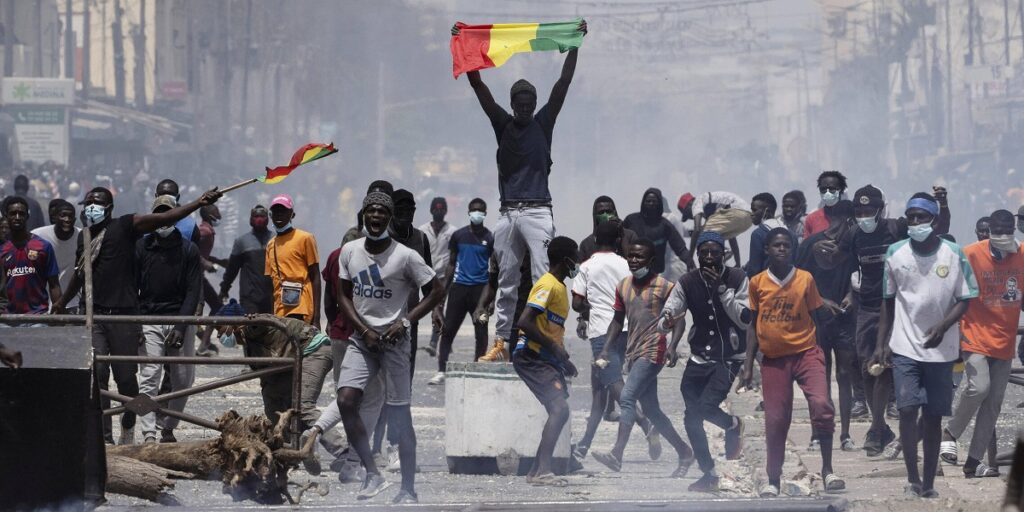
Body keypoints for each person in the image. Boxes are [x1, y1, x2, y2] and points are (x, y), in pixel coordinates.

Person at [457, 20, 588, 363]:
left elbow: (563, 83)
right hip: (507, 213)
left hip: (537, 211)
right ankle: (501, 342)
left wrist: (574, 44)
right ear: (513, 104)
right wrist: (464, 45)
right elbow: (478, 87)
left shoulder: (544, 123)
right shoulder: (503, 125)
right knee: (506, 281)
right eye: (521, 100)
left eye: (531, 100)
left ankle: (547, 337)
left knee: (544, 278)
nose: (527, 106)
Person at [51, 185, 222, 445]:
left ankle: (129, 423)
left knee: (127, 381)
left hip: (124, 317)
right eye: (88, 203)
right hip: (96, 316)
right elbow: (79, 272)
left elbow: (164, 218)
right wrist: (62, 302)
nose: (91, 207)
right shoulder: (83, 236)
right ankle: (104, 438)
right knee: (98, 376)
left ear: (109, 207)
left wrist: (199, 203)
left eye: (96, 202)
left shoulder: (125, 226)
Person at [335, 192, 444, 504]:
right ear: (364, 214)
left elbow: (436, 291)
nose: (376, 217)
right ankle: (372, 472)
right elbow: (343, 294)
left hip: (395, 343)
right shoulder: (350, 251)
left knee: (400, 416)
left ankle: (408, 488)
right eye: (371, 211)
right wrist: (363, 329)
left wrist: (406, 322)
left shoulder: (405, 255)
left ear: (390, 217)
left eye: (382, 212)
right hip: (362, 340)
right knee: (346, 400)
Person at [870, 194, 977, 498]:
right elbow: (888, 304)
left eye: (921, 217)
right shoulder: (896, 253)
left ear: (932, 219)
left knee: (932, 416)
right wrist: (882, 344)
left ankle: (929, 483)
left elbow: (966, 298)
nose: (915, 222)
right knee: (906, 409)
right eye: (911, 217)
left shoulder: (953, 254)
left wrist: (943, 327)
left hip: (941, 350)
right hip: (905, 346)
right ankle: (912, 478)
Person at [845, 184, 950, 457]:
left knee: (888, 364)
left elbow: (935, 230)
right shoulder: (855, 234)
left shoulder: (896, 228)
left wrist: (942, 203)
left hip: (897, 306)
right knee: (869, 368)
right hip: (866, 307)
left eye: (869, 210)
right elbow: (846, 267)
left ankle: (885, 428)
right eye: (859, 210)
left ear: (880, 210)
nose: (863, 215)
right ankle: (878, 425)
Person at [739, 228, 844, 497]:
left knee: (821, 404)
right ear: (767, 250)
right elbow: (752, 325)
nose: (782, 249)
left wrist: (824, 354)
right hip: (773, 359)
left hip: (806, 352)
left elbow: (818, 315)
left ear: (792, 249)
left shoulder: (805, 279)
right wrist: (748, 365)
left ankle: (828, 469)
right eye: (777, 245)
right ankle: (773, 478)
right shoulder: (758, 282)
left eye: (787, 245)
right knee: (775, 420)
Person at [590, 239, 695, 478]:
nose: (634, 260)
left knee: (627, 397)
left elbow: (679, 318)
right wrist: (605, 349)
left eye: (639, 257)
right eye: (631, 256)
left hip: (654, 349)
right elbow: (617, 320)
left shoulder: (665, 286)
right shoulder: (623, 286)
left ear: (651, 261)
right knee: (652, 410)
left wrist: (674, 345)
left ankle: (617, 454)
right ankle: (685, 451)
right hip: (633, 351)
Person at [659, 231, 751, 492]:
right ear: (698, 254)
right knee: (691, 417)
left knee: (707, 406)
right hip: (699, 356)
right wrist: (666, 320)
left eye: (714, 252)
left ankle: (733, 425)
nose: (709, 257)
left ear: (724, 254)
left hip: (729, 357)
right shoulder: (688, 281)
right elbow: (671, 310)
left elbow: (745, 318)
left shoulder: (738, 278)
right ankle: (708, 472)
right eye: (704, 252)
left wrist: (723, 291)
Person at [941, 209, 1022, 478]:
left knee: (994, 403)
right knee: (978, 388)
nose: (1002, 238)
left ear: (1013, 231)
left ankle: (973, 462)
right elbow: (952, 293)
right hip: (975, 334)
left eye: (1006, 233)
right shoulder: (971, 254)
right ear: (989, 233)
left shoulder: (1021, 255)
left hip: (1005, 339)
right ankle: (950, 431)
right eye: (997, 233)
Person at [570, 222, 657, 459]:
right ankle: (584, 445)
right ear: (620, 239)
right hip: (626, 328)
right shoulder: (626, 265)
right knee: (599, 390)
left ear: (595, 239)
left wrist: (592, 306)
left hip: (601, 332)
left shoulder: (586, 267)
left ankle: (644, 423)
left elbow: (577, 303)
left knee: (613, 383)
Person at [511, 236, 580, 486]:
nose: (579, 262)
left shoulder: (560, 287)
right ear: (566, 260)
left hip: (545, 357)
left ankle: (535, 470)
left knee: (558, 410)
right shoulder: (547, 285)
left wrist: (564, 361)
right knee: (559, 409)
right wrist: (552, 347)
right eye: (577, 256)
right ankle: (543, 470)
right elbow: (525, 321)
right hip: (530, 355)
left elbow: (551, 329)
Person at [135, 195, 202, 444]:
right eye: (159, 213)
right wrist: (136, 323)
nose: (163, 219)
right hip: (149, 318)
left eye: (167, 212)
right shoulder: (142, 247)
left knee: (183, 380)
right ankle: (149, 432)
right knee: (149, 377)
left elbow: (193, 291)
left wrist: (181, 326)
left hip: (179, 318)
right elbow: (133, 287)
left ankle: (169, 427)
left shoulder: (188, 250)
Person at [795, 199, 861, 451]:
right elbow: (797, 279)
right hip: (817, 319)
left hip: (844, 318)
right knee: (819, 377)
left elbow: (858, 276)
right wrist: (820, 300)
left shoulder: (853, 246)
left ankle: (844, 434)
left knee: (845, 375)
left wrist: (850, 296)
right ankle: (817, 432)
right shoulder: (811, 244)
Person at [429, 198, 494, 385]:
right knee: (448, 331)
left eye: (480, 210)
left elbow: (494, 269)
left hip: (480, 292)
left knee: (481, 332)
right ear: (469, 212)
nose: (477, 213)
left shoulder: (490, 239)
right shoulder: (459, 236)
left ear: (485, 213)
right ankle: (442, 370)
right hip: (459, 289)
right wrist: (443, 294)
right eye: (474, 210)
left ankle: (478, 368)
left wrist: (490, 298)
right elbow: (451, 265)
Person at [265, 194, 321, 327]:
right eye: (276, 211)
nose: (279, 215)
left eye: (283, 211)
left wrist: (317, 317)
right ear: (271, 215)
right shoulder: (271, 244)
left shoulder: (305, 238)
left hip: (301, 307)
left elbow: (315, 276)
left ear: (292, 214)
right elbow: (270, 282)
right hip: (280, 309)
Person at [1, 196, 61, 314]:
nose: (17, 217)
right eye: (13, 213)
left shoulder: (43, 246)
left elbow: (54, 285)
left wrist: (58, 314)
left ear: (27, 216)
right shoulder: (1, 248)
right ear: (6, 216)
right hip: (6, 320)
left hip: (37, 317)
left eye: (21, 213)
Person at [622, 188, 694, 274]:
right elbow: (618, 236)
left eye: (654, 201)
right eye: (648, 201)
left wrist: (690, 263)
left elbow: (680, 248)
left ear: (660, 204)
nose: (651, 204)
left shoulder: (665, 225)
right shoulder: (631, 220)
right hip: (633, 271)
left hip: (655, 274)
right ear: (643, 203)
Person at [220, 205, 275, 314]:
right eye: (256, 216)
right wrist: (224, 289)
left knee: (271, 328)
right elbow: (232, 269)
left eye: (262, 216)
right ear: (251, 219)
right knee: (250, 328)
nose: (259, 219)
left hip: (271, 296)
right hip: (249, 298)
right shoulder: (241, 242)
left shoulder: (275, 240)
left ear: (267, 219)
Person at [421, 197, 457, 356]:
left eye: (442, 209)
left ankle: (434, 343)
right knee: (432, 307)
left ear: (446, 211)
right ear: (431, 211)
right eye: (436, 209)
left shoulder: (452, 232)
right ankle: (446, 340)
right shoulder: (423, 230)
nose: (439, 212)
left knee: (439, 307)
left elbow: (453, 257)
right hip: (426, 276)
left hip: (444, 276)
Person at [679, 191, 752, 268]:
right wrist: (738, 263)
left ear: (689, 204)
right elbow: (732, 239)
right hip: (748, 219)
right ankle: (723, 254)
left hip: (735, 211)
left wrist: (689, 258)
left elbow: (697, 230)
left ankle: (723, 253)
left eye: (687, 214)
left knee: (702, 234)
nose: (691, 217)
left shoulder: (697, 202)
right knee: (714, 236)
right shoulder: (715, 215)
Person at [31, 199, 80, 313]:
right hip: (43, 304)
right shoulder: (38, 235)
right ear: (55, 217)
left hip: (73, 303)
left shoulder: (82, 236)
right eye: (63, 216)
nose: (67, 220)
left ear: (75, 219)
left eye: (70, 216)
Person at [197, 204, 228, 356]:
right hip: (195, 278)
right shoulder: (204, 231)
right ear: (210, 215)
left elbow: (203, 253)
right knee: (200, 311)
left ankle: (204, 343)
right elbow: (193, 251)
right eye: (216, 211)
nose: (219, 213)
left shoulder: (208, 231)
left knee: (216, 306)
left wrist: (220, 261)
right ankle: (203, 342)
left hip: (199, 277)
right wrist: (207, 264)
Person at [578, 195, 639, 261]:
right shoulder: (587, 243)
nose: (605, 215)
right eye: (601, 212)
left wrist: (622, 235)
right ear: (595, 215)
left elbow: (634, 261)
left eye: (608, 211)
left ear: (614, 213)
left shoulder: (630, 236)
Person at [744, 192, 788, 277]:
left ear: (766, 211)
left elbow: (754, 270)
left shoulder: (758, 234)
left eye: (754, 210)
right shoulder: (790, 233)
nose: (751, 214)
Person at [154, 179, 201, 245]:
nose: (166, 198)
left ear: (177, 197)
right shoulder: (145, 224)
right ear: (156, 196)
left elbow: (195, 253)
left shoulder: (190, 227)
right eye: (163, 194)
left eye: (170, 195)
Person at [803, 171, 848, 238]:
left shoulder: (851, 216)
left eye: (832, 189)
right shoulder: (811, 218)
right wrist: (814, 245)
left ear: (840, 190)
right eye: (823, 189)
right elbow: (805, 245)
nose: (827, 193)